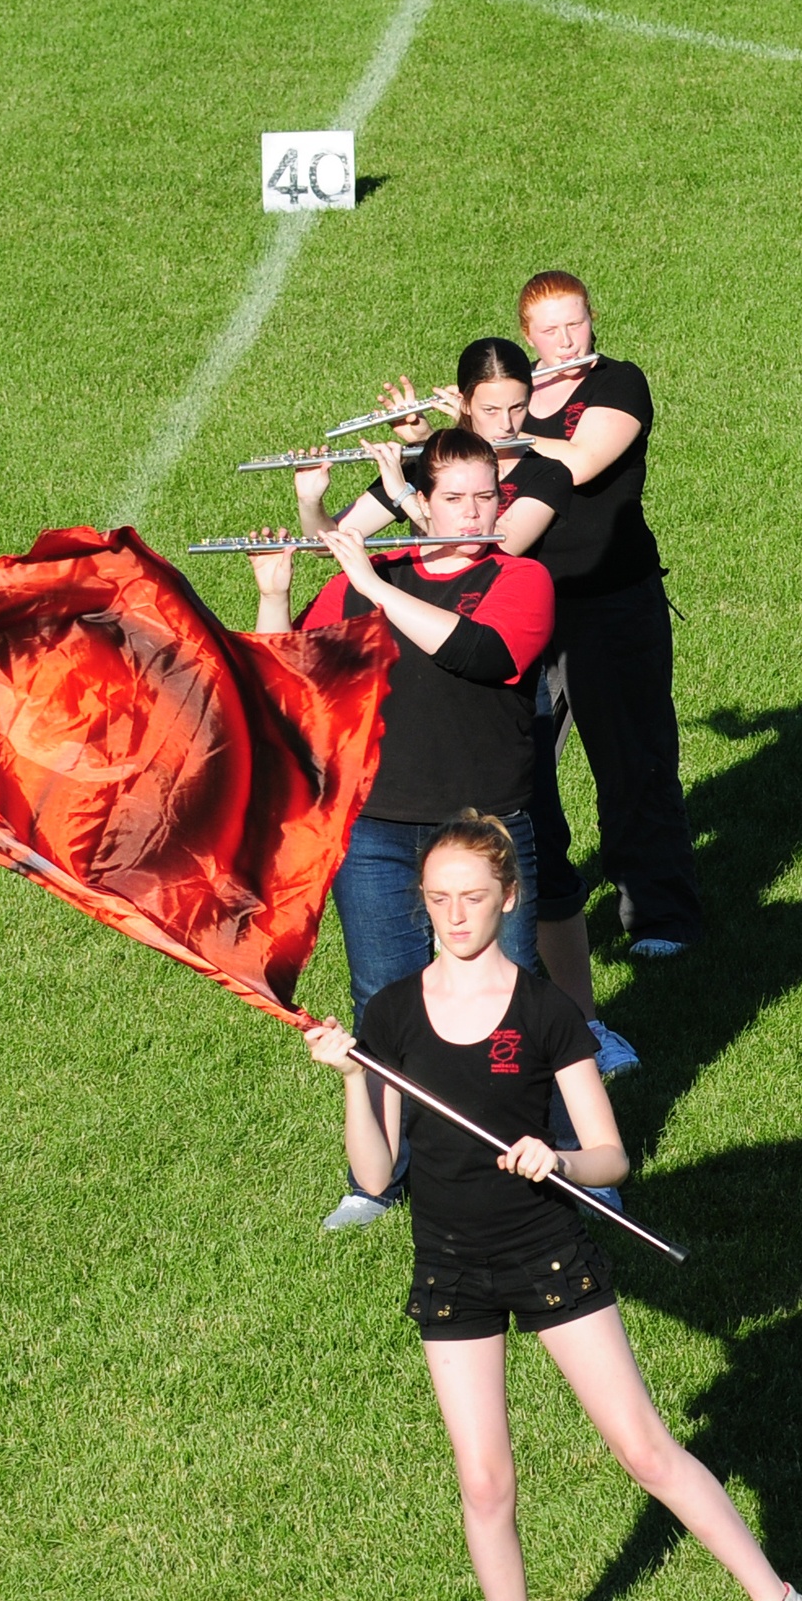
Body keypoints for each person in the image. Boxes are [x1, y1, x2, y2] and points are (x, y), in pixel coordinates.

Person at [301, 815, 802, 1601]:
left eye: (472, 897)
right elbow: (378, 1172)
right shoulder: (390, 1014)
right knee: (484, 1478)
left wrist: (559, 1155)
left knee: (643, 1447)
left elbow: (613, 1156)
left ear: (508, 897)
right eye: (437, 899)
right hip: (451, 1267)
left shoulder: (542, 1013)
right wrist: (354, 1073)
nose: (454, 915)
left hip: (547, 1252)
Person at [296, 339, 638, 1076]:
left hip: (490, 785)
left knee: (531, 926)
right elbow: (302, 658)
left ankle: (577, 1037)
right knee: (383, 1001)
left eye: (518, 405)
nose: (510, 418)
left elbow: (479, 633)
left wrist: (405, 510)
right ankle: (383, 1171)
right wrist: (311, 508)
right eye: (493, 408)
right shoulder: (394, 547)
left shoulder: (528, 519)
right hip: (385, 814)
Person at [255, 437, 557, 1234]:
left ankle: (550, 1159)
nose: (472, 512)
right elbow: (292, 675)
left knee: (514, 996)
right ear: (419, 506)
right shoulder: (373, 582)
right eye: (453, 498)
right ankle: (379, 1175)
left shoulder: (520, 578)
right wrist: (277, 588)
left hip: (486, 828)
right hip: (381, 832)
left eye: (484, 496)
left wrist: (369, 586)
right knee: (384, 1002)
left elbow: (481, 653)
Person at [508, 270, 703, 958]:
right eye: (550, 330)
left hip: (612, 602)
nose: (566, 340)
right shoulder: (512, 397)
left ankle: (660, 915)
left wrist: (497, 432)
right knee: (517, 770)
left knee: (634, 761)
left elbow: (583, 463)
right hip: (526, 607)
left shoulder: (618, 383)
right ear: (527, 335)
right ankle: (523, 914)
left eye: (577, 324)